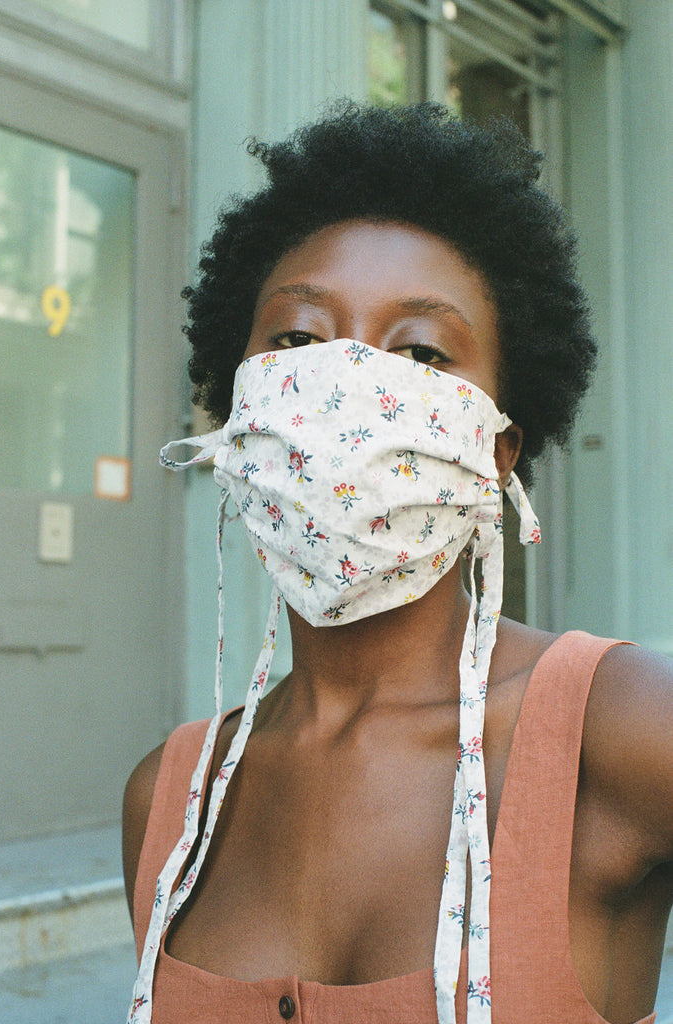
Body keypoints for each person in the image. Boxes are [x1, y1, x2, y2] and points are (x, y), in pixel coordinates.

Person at [122, 103, 673, 1024]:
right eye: (295, 339)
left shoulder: (620, 729)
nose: (342, 381)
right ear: (237, 416)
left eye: (420, 350)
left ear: (495, 452)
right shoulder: (169, 801)